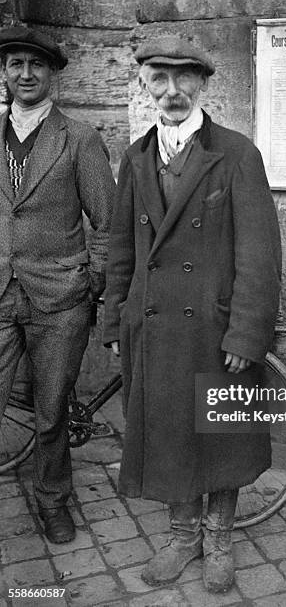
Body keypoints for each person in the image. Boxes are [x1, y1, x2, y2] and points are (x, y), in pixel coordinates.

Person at [103, 37, 281, 593]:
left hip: (214, 327)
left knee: (220, 432)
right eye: (159, 78)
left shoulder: (236, 153)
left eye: (185, 78)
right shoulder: (135, 157)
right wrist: (116, 322)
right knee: (173, 431)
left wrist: (247, 333)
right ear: (143, 84)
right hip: (154, 326)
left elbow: (259, 252)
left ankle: (219, 539)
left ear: (204, 84)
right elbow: (120, 251)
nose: (173, 91)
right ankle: (183, 538)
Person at [0, 27, 115, 543]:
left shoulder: (80, 139)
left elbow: (109, 225)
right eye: (16, 64)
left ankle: (53, 501)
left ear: (53, 75)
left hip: (59, 300)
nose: (25, 74)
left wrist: (88, 281)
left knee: (50, 413)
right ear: (3, 73)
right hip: (0, 293)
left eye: (36, 66)